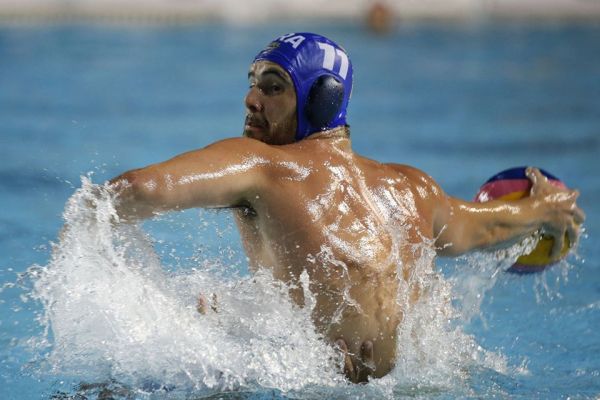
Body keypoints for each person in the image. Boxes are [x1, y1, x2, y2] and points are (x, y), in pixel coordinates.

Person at [109, 33, 584, 383]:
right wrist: (545, 213)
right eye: (252, 83)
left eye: (273, 86)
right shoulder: (412, 189)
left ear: (323, 96)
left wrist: (93, 209)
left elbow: (137, 189)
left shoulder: (263, 167)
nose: (251, 99)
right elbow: (483, 228)